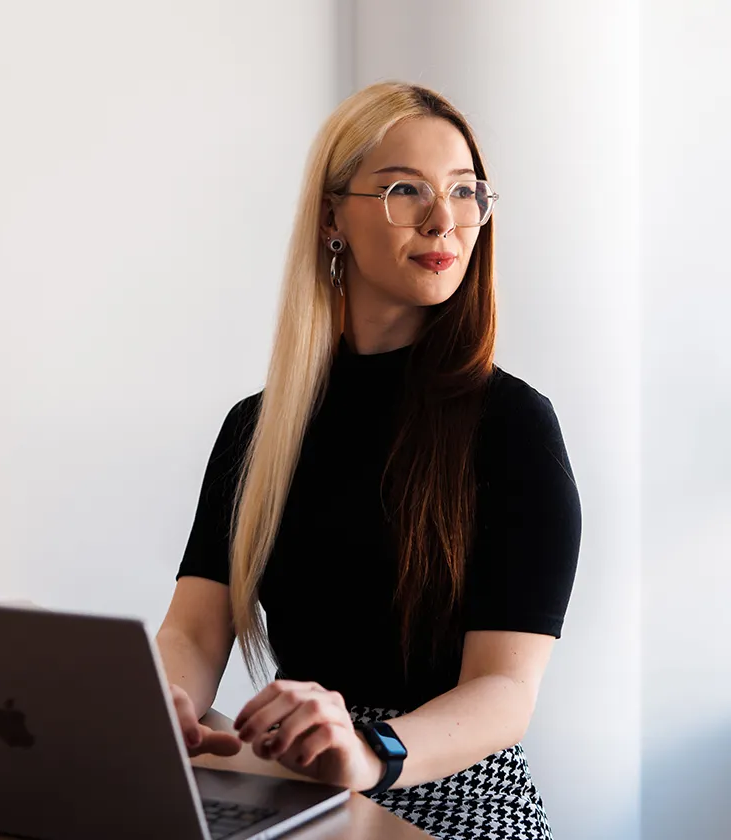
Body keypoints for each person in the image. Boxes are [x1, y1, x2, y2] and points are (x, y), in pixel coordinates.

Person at [155, 81, 581, 840]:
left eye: (464, 192)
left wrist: (369, 749)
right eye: (403, 189)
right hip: (304, 789)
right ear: (331, 218)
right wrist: (160, 714)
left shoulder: (513, 425)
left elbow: (505, 691)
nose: (442, 219)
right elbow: (193, 631)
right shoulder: (258, 428)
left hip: (453, 797)